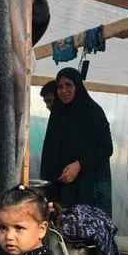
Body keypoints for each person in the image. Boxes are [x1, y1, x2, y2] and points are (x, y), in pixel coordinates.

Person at [40, 67, 114, 215]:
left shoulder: (93, 112)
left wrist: (79, 164)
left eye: (69, 85)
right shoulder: (58, 114)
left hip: (88, 188)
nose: (64, 90)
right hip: (61, 189)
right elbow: (50, 151)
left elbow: (106, 148)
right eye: (60, 86)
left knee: (85, 226)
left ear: (78, 86)